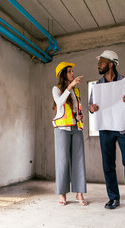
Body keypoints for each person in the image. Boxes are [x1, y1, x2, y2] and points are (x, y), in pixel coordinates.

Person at [88, 50, 125, 214]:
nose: (98, 65)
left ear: (111, 64)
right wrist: (91, 108)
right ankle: (113, 198)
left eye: (101, 62)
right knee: (108, 165)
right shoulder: (97, 86)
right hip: (105, 128)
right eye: (99, 63)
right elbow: (91, 106)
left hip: (124, 128)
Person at [52, 62, 87, 206]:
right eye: (69, 71)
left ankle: (79, 193)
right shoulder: (57, 89)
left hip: (76, 128)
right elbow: (59, 103)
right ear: (63, 74)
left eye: (72, 71)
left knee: (79, 160)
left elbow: (77, 109)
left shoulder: (76, 91)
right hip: (62, 129)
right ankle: (62, 194)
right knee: (62, 161)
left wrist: (80, 116)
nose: (72, 73)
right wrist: (70, 86)